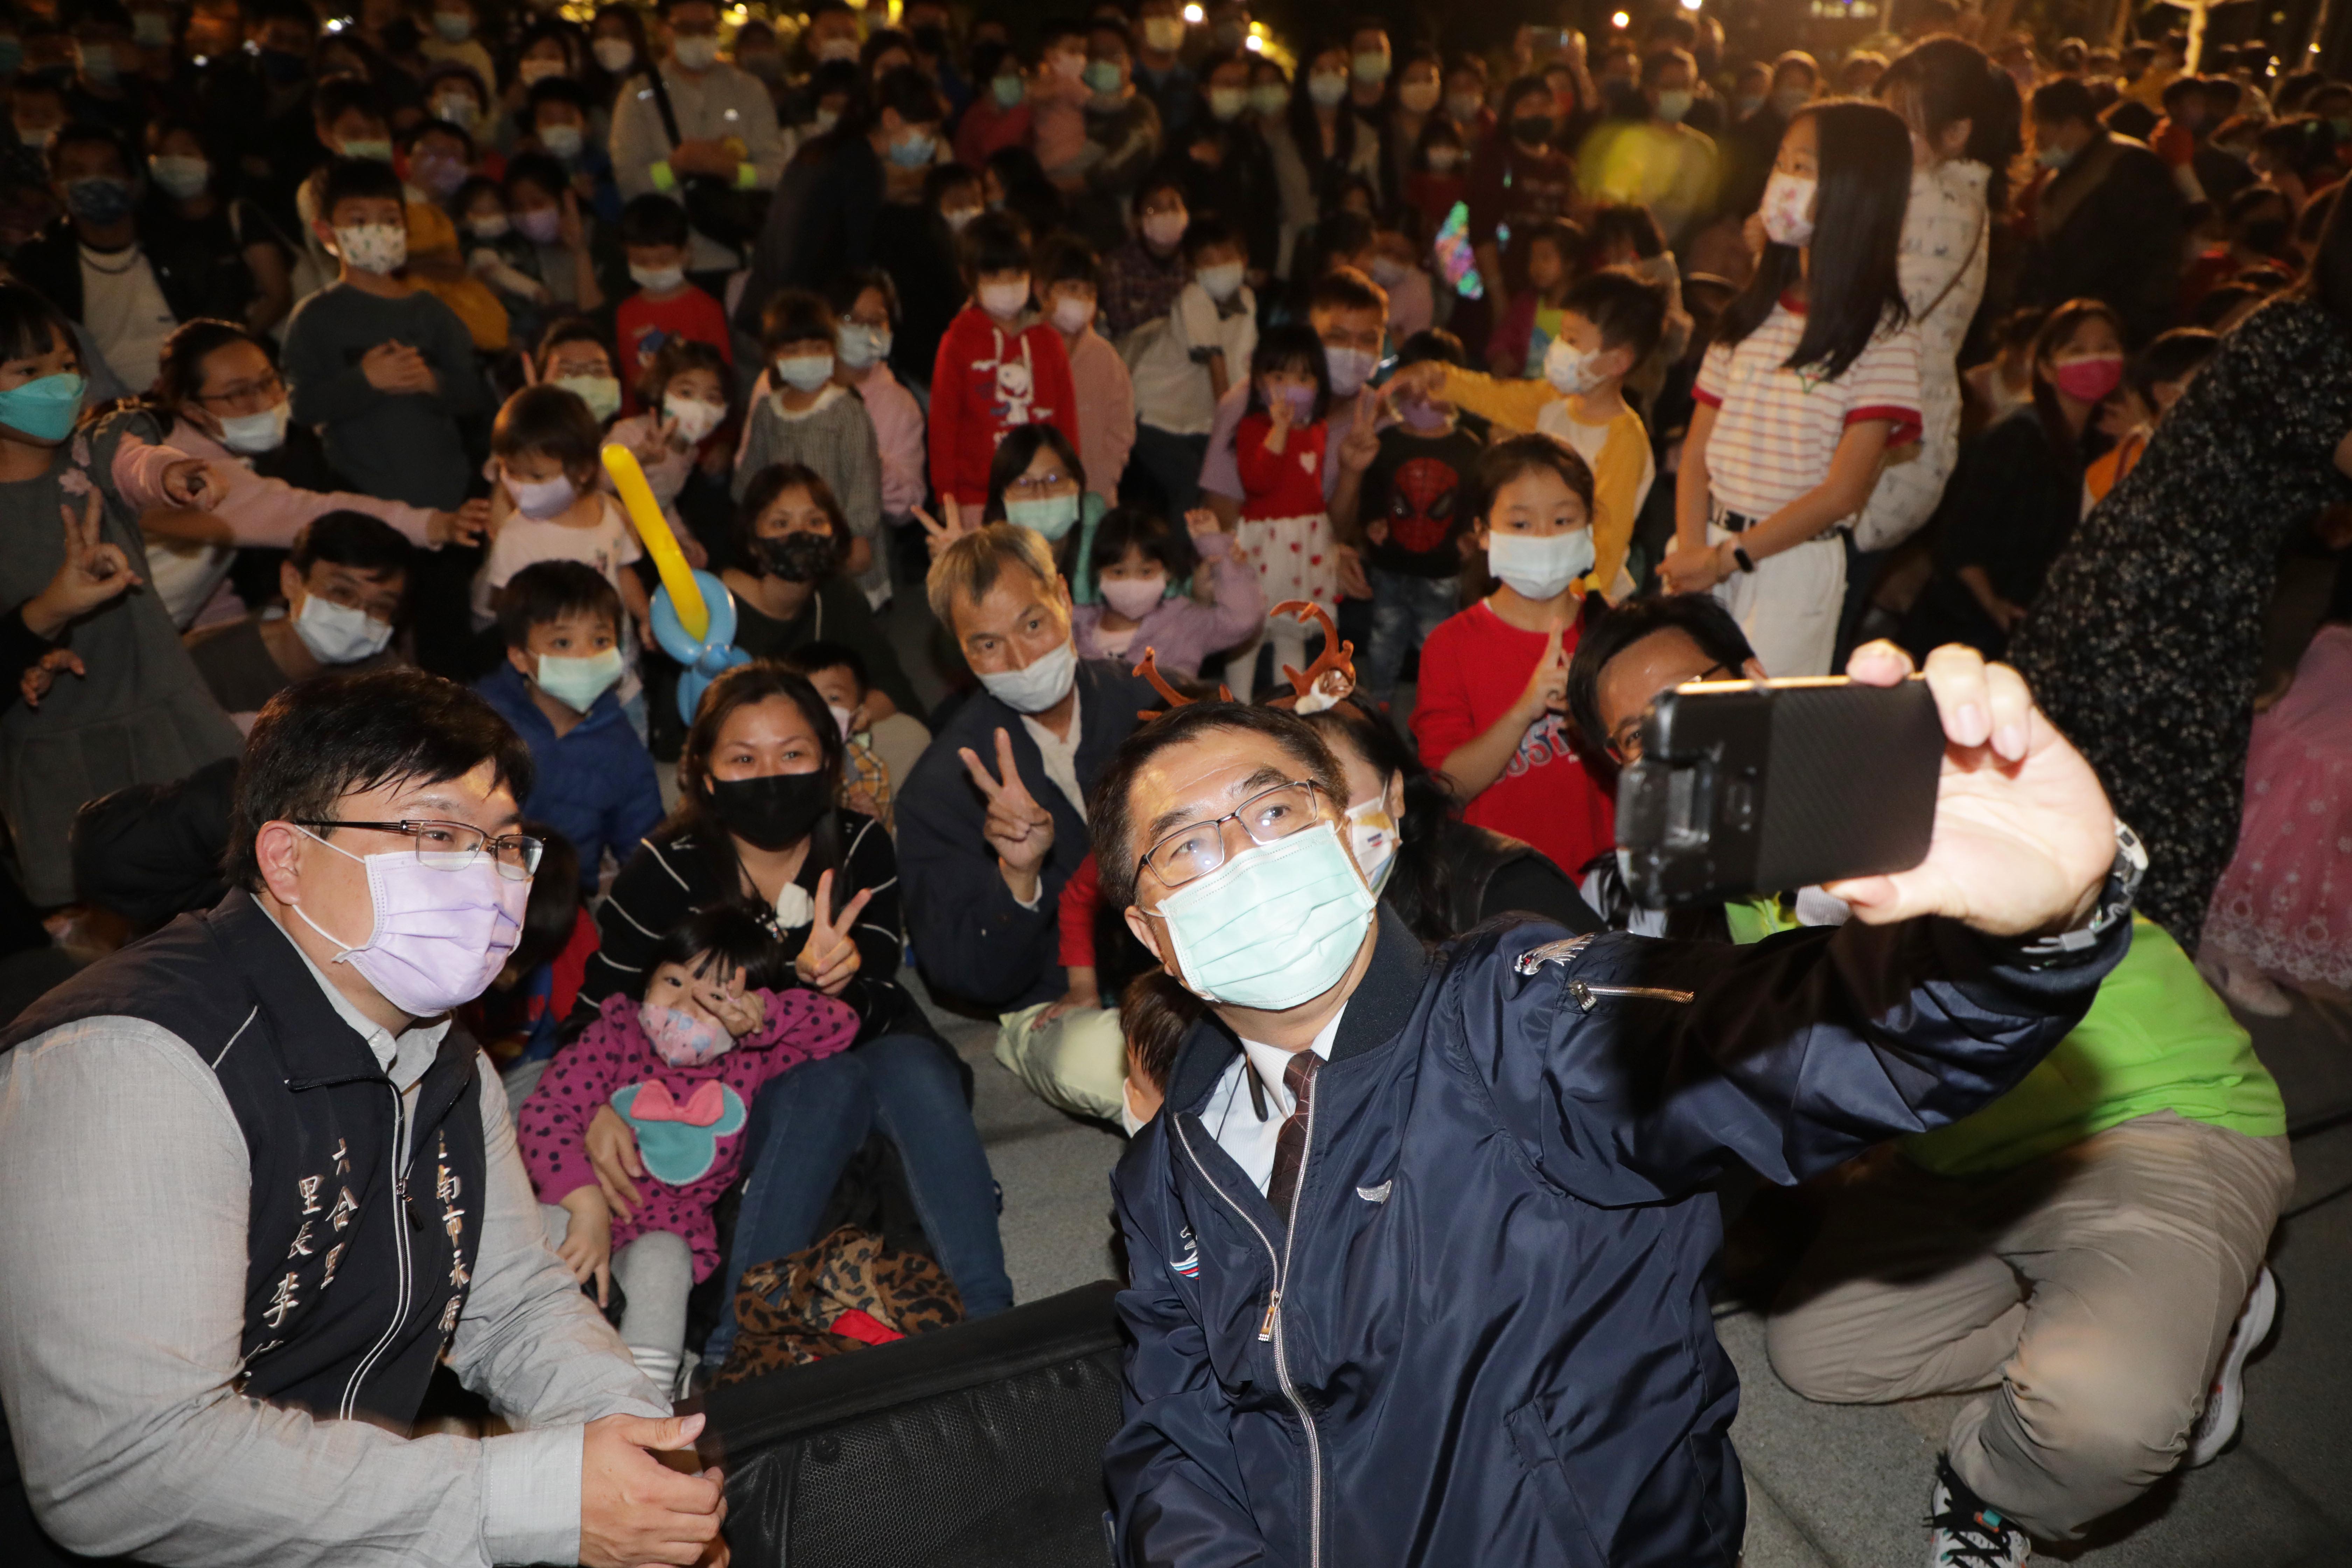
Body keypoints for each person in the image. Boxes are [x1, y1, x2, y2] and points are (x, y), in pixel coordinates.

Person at [1096, 616, 2141, 1562]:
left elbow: (1795, 1050)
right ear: (1152, 933)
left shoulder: (1515, 1021)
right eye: (1187, 843)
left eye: (1274, 807)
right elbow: (1169, 1435)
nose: (1242, 853)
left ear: (1353, 834)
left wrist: (2020, 943)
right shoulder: (1167, 1169)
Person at [1567, 593, 2293, 1568]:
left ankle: (2004, 1478)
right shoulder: (1735, 900)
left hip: (2154, 1114)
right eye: (1636, 737)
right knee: (1820, 1355)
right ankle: (2176, 1315)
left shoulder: (1887, 769)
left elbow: (2010, 898)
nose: (1673, 741)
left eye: (1694, 699)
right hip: (1961, 1167)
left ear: (1752, 684)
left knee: (2102, 1423)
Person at [0, 668, 728, 1568]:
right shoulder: (134, 1060)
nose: (486, 875)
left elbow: (511, 1300)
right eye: (435, 833)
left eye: (503, 844)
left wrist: (645, 1461)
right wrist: (536, 1495)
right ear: (289, 858)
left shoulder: (444, 1049)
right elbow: (124, 1466)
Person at [572, 661, 1014, 1359]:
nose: (770, 774)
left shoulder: (861, 843)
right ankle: (738, 1344)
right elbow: (596, 1011)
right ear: (706, 774)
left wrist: (841, 982)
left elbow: (877, 998)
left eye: (793, 753)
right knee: (827, 1082)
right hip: (721, 1089)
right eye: (743, 758)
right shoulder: (662, 869)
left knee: (911, 1059)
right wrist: (592, 1109)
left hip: (862, 1041)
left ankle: (990, 1320)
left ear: (827, 761)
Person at [2009, 190, 2352, 948]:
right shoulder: (2308, 339)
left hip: (2193, 593)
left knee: (2138, 820)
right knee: (2124, 816)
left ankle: (2076, 1000)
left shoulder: (2308, 332)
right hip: (2157, 598)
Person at [523, 904, 861, 1394]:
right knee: (529, 1239)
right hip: (576, 1212)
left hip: (660, 1239)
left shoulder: (755, 1055)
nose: (684, 1006)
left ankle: (648, 1404)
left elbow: (841, 1027)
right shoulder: (616, 1034)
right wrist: (587, 1205)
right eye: (673, 982)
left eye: (712, 997)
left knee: (665, 1259)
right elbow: (546, 1112)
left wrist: (768, 1015)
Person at [1661, 100, 1923, 677]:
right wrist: (1692, 553)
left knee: (1757, 739)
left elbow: (1842, 492)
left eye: (1803, 168)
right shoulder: (1751, 313)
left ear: (1857, 193)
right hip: (1705, 547)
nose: (1782, 181)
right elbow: (1699, 453)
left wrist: (1725, 561)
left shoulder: (1882, 334)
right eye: (1782, 164)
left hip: (1787, 567)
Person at [0, 284, 241, 904]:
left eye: (65, 365)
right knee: (105, 917)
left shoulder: (92, 452)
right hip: (55, 742)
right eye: (29, 371)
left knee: (227, 873)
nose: (57, 384)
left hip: (163, 709)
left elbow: (139, 461)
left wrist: (175, 474)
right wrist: (32, 656)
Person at [897, 523, 1157, 1009]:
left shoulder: (1146, 701)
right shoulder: (939, 791)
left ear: (1062, 594)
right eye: (988, 645)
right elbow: (963, 976)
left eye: (1033, 625)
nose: (1020, 660)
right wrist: (1017, 880)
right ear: (960, 649)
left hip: (1181, 974)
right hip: (1049, 1001)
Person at [101, 318, 486, 630]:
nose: (266, 401)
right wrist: (435, 524)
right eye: (239, 393)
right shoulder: (188, 469)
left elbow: (205, 581)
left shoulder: (231, 455)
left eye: (269, 382)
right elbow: (307, 513)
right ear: (191, 408)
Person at [1836, 36, 2016, 657]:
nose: (1884, 136)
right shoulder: (1956, 196)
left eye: (1900, 122)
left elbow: (1866, 308)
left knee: (1823, 619)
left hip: (1882, 440)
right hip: (1896, 437)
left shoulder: (1936, 201)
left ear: (1956, 132)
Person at [1410, 432, 1614, 880]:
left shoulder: (1615, 635)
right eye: (1521, 524)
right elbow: (1447, 787)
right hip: (1496, 886)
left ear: (1588, 529)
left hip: (1603, 885)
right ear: (1482, 532)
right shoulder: (1451, 645)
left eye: (1563, 520)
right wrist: (1524, 710)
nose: (1543, 537)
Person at [1395, 267, 1666, 595]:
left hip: (1582, 595)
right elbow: (1493, 394)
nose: (1559, 348)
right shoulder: (1551, 402)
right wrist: (1438, 377)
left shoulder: (1624, 439)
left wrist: (1581, 600)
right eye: (1561, 336)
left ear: (1617, 362)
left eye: (1572, 341)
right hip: (1532, 581)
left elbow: (1607, 537)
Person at [1900, 299, 2123, 660]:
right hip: (1971, 629)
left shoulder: (2107, 442)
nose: (2094, 360)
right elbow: (1960, 534)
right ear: (2047, 368)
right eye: (2077, 350)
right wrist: (1992, 602)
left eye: (2107, 347)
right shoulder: (2014, 438)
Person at [281, 156, 489, 522]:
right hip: (362, 503)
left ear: (405, 228)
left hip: (446, 497)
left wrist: (432, 382)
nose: (377, 230)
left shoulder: (431, 311)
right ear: (327, 232)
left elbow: (472, 395)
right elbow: (301, 407)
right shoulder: (315, 318)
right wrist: (365, 381)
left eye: (390, 220)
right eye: (359, 221)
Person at [477, 560, 665, 895]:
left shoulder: (621, 745)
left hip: (565, 906)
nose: (586, 656)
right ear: (520, 656)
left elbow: (645, 847)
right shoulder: (480, 722)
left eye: (601, 640)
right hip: (475, 889)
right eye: (563, 643)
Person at [471, 385, 653, 718]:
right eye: (511, 471)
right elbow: (507, 614)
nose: (521, 485)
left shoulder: (610, 514)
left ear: (583, 470)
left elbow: (624, 570)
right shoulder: (515, 537)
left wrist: (645, 616)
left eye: (537, 475)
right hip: (552, 692)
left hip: (619, 678)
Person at [721, 461, 924, 718]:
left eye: (815, 521)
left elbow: (895, 689)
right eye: (781, 524)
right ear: (752, 543)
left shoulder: (838, 595)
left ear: (835, 536)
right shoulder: (713, 605)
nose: (800, 534)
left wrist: (854, 718)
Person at [608, 0, 786, 280]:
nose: (698, 37)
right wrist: (676, 167)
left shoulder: (749, 90)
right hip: (666, 264)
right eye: (687, 29)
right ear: (663, 30)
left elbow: (776, 173)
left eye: (706, 28)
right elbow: (629, 182)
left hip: (738, 255)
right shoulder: (638, 95)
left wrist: (735, 173)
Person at [1351, 330, 1480, 707]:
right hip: (1389, 567)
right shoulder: (1386, 441)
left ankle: (1434, 709)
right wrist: (1371, 521)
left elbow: (1475, 498)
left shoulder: (1468, 447)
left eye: (1436, 385)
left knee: (1436, 644)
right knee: (1384, 636)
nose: (1424, 397)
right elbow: (1373, 488)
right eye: (1415, 385)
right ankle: (1380, 702)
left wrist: (1472, 535)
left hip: (1442, 572)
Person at [184, 509, 411, 719]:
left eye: (381, 606)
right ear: (292, 581)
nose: (359, 616)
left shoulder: (387, 682)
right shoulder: (209, 664)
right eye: (341, 592)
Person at [927, 208, 1081, 513]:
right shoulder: (958, 341)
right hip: (977, 500)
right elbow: (943, 426)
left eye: (1017, 274)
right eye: (994, 275)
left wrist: (1071, 481)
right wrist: (947, 496)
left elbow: (1066, 420)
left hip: (1043, 495)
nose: (1008, 284)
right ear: (967, 277)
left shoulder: (1048, 341)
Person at [2018, 75, 2186, 345]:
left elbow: (2157, 258)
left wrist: (2130, 330)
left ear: (2072, 125)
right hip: (2067, 327)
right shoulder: (2057, 179)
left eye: (2042, 133)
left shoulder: (2131, 166)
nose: (2037, 144)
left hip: (2117, 329)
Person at [735, 289, 883, 594]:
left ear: (833, 350)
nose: (806, 358)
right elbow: (752, 474)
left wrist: (857, 536)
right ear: (774, 356)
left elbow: (863, 479)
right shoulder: (767, 411)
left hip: (837, 543)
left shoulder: (846, 411)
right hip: (784, 540)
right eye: (793, 350)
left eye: (817, 348)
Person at [1231, 324, 1339, 699]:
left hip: (1306, 544)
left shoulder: (1319, 429)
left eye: (1303, 376)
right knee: (1251, 630)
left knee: (1293, 631)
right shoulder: (1252, 427)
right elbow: (1258, 480)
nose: (1291, 385)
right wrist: (1278, 430)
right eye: (1279, 376)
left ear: (1319, 383)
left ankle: (1285, 710)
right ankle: (1237, 708)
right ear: (1260, 380)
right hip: (1266, 544)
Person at [1124, 213, 1255, 522]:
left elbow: (1242, 367)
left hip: (1201, 422)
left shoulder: (1247, 300)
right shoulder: (1194, 298)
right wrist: (1234, 431)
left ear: (1244, 260)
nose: (1220, 268)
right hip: (1158, 416)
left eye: (1227, 258)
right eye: (1208, 263)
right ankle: (1182, 565)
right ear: (1193, 272)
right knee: (1191, 489)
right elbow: (1218, 366)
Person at [1070, 502, 1260, 677]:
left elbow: (1242, 621)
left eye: (1146, 572)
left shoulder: (1184, 625)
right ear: (1098, 573)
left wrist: (1215, 549)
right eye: (1118, 572)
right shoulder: (1074, 628)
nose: (1132, 582)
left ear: (1167, 572)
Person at [778, 639, 929, 828]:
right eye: (807, 697)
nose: (819, 709)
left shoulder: (870, 772)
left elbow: (883, 847)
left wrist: (870, 824)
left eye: (833, 698)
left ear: (859, 717)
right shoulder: (771, 765)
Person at [1038, 236, 1134, 506]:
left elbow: (1121, 428)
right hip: (1035, 496)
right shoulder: (1025, 349)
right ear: (1043, 291)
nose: (1080, 299)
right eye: (1071, 288)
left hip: (1095, 496)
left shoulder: (1106, 358)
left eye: (1089, 292)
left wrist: (1101, 482)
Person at [613, 192, 731, 408]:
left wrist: (722, 440)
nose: (653, 268)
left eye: (664, 259)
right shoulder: (626, 312)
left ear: (686, 253)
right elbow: (628, 382)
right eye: (641, 261)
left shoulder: (707, 309)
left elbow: (723, 381)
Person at [1098, 169, 1193, 340]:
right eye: (1155, 208)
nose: (1166, 214)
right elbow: (1118, 323)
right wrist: (1168, 308)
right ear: (1136, 221)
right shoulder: (1117, 265)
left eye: (1173, 206)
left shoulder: (1193, 263)